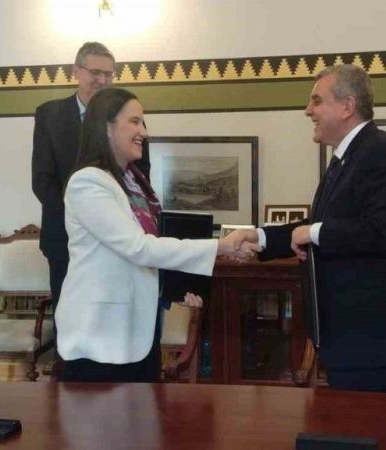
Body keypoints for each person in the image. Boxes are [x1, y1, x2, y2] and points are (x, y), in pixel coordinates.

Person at [241, 64, 386, 393]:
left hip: (374, 343)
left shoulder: (380, 152)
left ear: (347, 106)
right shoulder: (349, 156)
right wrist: (260, 237)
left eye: (316, 101)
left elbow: (385, 231)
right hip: (354, 342)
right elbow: (321, 224)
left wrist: (313, 233)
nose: (307, 111)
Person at [55, 87, 256, 382]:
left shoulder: (134, 182)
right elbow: (139, 248)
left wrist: (183, 286)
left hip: (140, 329)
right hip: (100, 336)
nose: (144, 132)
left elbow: (153, 247)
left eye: (143, 122)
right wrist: (221, 247)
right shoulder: (88, 183)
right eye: (134, 121)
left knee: (145, 411)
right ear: (107, 127)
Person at [32, 42, 149, 312]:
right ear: (76, 71)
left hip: (120, 235)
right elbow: (42, 180)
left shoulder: (129, 117)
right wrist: (83, 216)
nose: (102, 80)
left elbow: (141, 175)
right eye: (95, 72)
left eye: (109, 74)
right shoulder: (49, 115)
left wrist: (112, 219)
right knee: (69, 313)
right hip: (63, 238)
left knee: (115, 314)